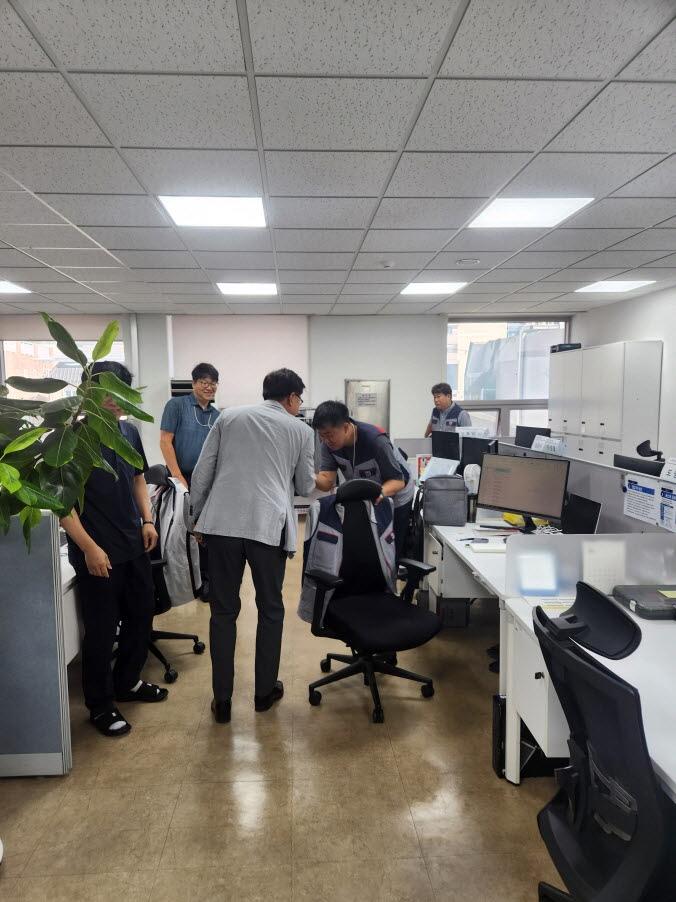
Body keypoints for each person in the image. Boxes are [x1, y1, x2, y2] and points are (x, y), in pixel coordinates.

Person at [189, 368, 317, 724]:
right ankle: (263, 694)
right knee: (271, 609)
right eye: (299, 399)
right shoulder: (301, 430)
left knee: (223, 612)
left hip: (222, 525)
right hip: (267, 527)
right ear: (291, 397)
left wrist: (196, 518)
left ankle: (222, 700)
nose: (299, 405)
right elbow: (305, 485)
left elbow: (203, 471)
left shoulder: (228, 416)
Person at [60, 361, 167, 738]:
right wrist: (89, 547)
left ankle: (128, 682)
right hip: (97, 552)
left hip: (133, 543)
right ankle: (100, 704)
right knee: (102, 631)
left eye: (122, 393)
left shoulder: (128, 431)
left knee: (141, 616)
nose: (116, 400)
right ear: (88, 392)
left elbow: (138, 478)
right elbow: (63, 505)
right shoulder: (70, 437)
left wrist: (148, 520)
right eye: (108, 392)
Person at [313, 401, 414, 562]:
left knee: (390, 546)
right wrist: (307, 475)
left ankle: (392, 573)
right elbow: (326, 482)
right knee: (369, 543)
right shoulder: (328, 445)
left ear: (346, 427)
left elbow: (398, 481)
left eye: (329, 434)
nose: (326, 440)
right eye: (321, 435)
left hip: (397, 494)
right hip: (369, 495)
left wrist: (379, 494)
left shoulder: (375, 441)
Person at [159, 362, 219, 601]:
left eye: (213, 383)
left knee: (207, 532)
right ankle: (186, 581)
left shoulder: (217, 416)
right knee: (184, 532)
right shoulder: (176, 406)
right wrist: (179, 477)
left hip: (208, 483)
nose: (209, 387)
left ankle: (206, 582)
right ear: (194, 383)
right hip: (181, 479)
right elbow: (165, 441)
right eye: (204, 382)